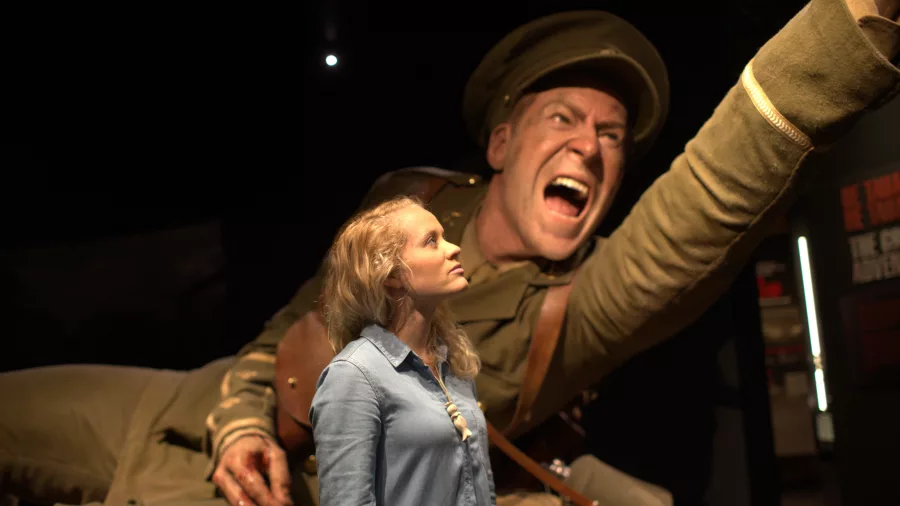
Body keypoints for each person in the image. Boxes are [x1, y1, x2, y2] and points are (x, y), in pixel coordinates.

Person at [0, 1, 898, 505]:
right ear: (502, 144)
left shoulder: (575, 310)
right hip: (186, 405)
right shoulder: (411, 200)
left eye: (615, 136)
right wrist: (237, 418)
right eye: (564, 119)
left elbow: (700, 210)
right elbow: (288, 328)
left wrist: (848, 29)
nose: (591, 146)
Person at [309, 195, 494, 505]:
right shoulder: (355, 376)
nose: (454, 248)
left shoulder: (454, 365)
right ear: (392, 275)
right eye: (432, 241)